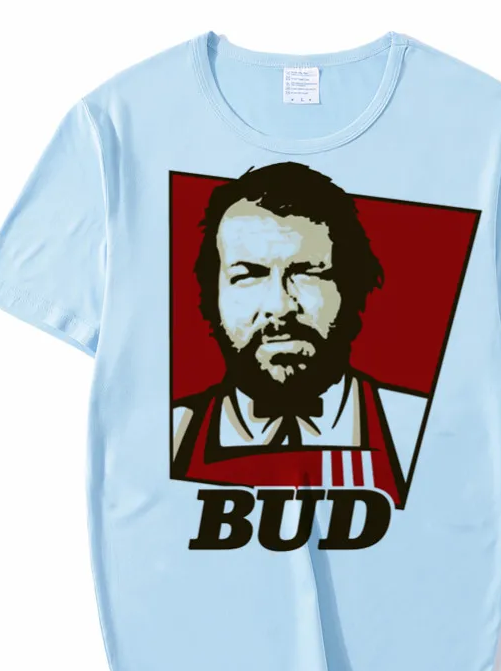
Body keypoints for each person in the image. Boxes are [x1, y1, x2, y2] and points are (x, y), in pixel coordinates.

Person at [171, 161, 429, 508]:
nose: (279, 306)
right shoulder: (170, 434)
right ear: (211, 296)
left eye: (308, 273)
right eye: (248, 275)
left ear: (352, 287)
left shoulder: (415, 429)